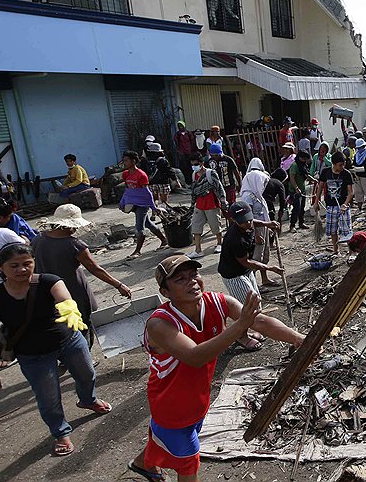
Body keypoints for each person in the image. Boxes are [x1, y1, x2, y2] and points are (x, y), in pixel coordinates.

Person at [128, 254, 303, 482]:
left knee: (165, 441)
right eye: (180, 279)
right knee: (189, 463)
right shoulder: (160, 323)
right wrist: (241, 325)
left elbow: (259, 321)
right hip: (171, 406)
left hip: (198, 397)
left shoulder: (218, 302)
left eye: (194, 275)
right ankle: (146, 465)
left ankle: (142, 464)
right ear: (165, 292)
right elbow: (195, 356)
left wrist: (300, 339)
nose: (192, 281)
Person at [0, 243, 112, 457]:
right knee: (48, 397)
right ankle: (60, 432)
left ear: (34, 262)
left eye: (27, 263)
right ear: (1, 268)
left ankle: (88, 400)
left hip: (69, 339)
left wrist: (70, 310)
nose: (22, 270)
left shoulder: (48, 281)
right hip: (32, 354)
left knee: (87, 374)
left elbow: (64, 298)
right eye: (14, 265)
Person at [32, 204, 132, 346]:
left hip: (49, 293)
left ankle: (66, 357)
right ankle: (83, 359)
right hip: (74, 292)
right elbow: (94, 269)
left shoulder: (38, 239)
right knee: (82, 325)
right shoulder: (74, 244)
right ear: (70, 226)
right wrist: (118, 284)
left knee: (60, 324)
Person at [218, 201, 282, 350]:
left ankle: (249, 329)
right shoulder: (235, 239)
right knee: (246, 308)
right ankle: (241, 337)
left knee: (256, 302)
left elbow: (253, 222)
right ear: (234, 221)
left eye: (249, 219)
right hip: (234, 275)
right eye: (244, 222)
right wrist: (269, 268)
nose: (248, 224)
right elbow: (246, 261)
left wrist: (267, 224)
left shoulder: (249, 223)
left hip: (245, 271)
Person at [119, 150, 167, 258]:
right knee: (148, 224)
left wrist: (153, 207)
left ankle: (137, 251)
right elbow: (128, 190)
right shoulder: (125, 174)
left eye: (126, 160)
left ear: (133, 161)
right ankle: (164, 240)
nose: (124, 163)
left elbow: (146, 193)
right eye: (124, 160)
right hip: (133, 204)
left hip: (142, 204)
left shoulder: (141, 175)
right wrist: (123, 202)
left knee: (139, 227)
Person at [240, 159, 279, 288]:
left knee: (264, 254)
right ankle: (252, 285)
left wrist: (269, 226)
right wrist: (256, 234)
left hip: (264, 228)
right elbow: (249, 219)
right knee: (256, 257)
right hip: (256, 231)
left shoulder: (258, 195)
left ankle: (265, 279)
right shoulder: (247, 196)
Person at [187, 154, 226, 259]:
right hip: (199, 205)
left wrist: (223, 201)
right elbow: (194, 191)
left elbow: (219, 188)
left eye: (196, 164)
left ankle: (219, 244)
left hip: (211, 204)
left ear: (202, 163)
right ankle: (198, 250)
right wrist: (192, 205)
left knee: (215, 226)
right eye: (192, 164)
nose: (194, 166)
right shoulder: (194, 174)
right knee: (196, 227)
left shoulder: (210, 173)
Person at [316, 152, 354, 254]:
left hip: (343, 206)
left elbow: (351, 193)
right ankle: (336, 250)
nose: (342, 167)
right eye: (340, 165)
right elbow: (320, 187)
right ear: (333, 164)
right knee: (333, 230)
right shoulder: (325, 172)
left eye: (343, 164)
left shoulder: (347, 174)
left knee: (347, 231)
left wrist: (345, 204)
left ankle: (351, 252)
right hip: (330, 206)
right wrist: (316, 202)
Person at [0, 199, 29, 289]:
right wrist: (26, 239)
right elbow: (26, 248)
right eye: (9, 217)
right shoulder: (3, 232)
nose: (10, 219)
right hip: (0, 284)